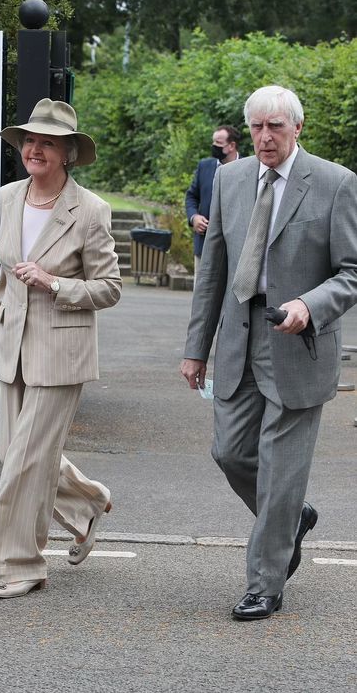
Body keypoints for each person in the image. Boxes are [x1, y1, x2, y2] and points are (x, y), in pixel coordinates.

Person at [181, 85, 357, 620]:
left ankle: (265, 582)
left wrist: (309, 303)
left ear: (297, 129)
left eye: (275, 126)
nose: (264, 137)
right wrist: (196, 348)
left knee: (281, 466)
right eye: (256, 127)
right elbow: (213, 269)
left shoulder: (334, 182)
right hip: (239, 336)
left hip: (299, 341)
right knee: (230, 451)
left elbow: (351, 272)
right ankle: (291, 517)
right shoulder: (230, 179)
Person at [0, 98, 122, 599]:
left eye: (47, 143)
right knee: (9, 451)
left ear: (67, 154)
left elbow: (109, 287)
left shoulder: (91, 211)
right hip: (11, 346)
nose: (34, 150)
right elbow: (4, 278)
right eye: (29, 141)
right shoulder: (8, 197)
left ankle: (20, 565)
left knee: (25, 464)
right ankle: (87, 505)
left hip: (61, 354)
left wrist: (55, 283)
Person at [185, 126, 240, 277]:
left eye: (218, 143)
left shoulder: (248, 168)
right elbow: (191, 197)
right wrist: (194, 217)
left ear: (231, 146)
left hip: (235, 249)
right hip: (204, 244)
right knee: (201, 293)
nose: (214, 146)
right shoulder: (204, 166)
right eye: (213, 142)